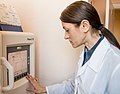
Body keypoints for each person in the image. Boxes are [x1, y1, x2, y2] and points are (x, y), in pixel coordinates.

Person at [26, 1, 120, 94]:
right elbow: (75, 84)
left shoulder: (116, 63)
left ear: (84, 26)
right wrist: (45, 89)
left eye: (67, 30)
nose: (65, 36)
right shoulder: (87, 52)